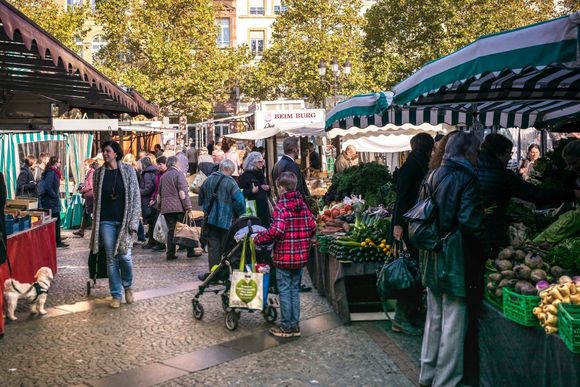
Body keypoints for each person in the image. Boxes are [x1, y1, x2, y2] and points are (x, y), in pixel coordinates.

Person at [419, 132, 486, 387]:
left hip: (431, 253)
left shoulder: (432, 174)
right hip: (455, 258)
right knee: (454, 322)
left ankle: (427, 374)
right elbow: (471, 223)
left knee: (434, 317)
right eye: (476, 152)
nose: (478, 157)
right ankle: (446, 381)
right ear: (467, 152)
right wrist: (485, 249)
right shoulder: (466, 177)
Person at [477, 134, 577, 257]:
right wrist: (572, 194)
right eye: (509, 153)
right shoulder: (502, 175)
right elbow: (536, 194)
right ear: (498, 154)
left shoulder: (472, 169)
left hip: (471, 230)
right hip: (491, 231)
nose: (510, 157)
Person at [253, 172, 316, 338]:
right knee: (294, 290)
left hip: (284, 257)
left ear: (281, 188)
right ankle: (294, 324)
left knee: (285, 291)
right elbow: (312, 226)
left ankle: (287, 326)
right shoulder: (303, 205)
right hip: (301, 257)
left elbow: (277, 230)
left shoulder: (282, 206)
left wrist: (258, 238)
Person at [391, 133, 435, 336]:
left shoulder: (415, 164)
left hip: (413, 225)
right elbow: (402, 197)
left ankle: (408, 314)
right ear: (427, 148)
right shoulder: (413, 167)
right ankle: (401, 317)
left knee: (414, 270)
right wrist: (398, 224)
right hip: (410, 226)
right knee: (410, 271)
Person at [89, 141, 141, 309]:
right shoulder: (98, 174)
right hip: (106, 221)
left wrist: (134, 222)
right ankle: (116, 295)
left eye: (108, 151)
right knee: (111, 259)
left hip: (124, 220)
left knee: (125, 256)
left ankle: (128, 286)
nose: (105, 154)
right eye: (103, 151)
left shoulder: (128, 171)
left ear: (116, 153)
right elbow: (97, 200)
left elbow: (135, 197)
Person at [198, 159, 245, 276]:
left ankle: (214, 273)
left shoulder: (208, 180)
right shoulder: (231, 183)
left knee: (213, 248)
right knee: (227, 247)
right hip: (226, 220)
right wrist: (240, 214)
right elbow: (239, 202)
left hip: (210, 220)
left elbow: (200, 199)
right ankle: (224, 273)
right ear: (230, 170)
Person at [157, 156, 196, 260]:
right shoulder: (179, 175)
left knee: (171, 230)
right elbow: (183, 192)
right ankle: (190, 251)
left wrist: (160, 207)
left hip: (166, 209)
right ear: (175, 163)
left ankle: (170, 253)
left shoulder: (163, 177)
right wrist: (188, 206)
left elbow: (159, 194)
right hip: (178, 207)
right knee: (185, 229)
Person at [39, 156, 68, 248]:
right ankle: (57, 242)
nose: (60, 164)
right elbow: (48, 186)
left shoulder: (54, 172)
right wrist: (54, 195)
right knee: (55, 220)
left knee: (56, 220)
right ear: (55, 163)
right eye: (59, 162)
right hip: (50, 200)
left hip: (51, 200)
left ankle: (56, 240)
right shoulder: (51, 172)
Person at [238, 152, 271, 228]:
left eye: (262, 161)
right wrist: (251, 191)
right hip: (252, 212)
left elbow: (267, 193)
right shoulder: (244, 177)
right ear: (252, 162)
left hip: (264, 212)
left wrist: (268, 189)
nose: (262, 163)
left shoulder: (261, 175)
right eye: (259, 161)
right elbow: (238, 193)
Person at [73, 159, 98, 238]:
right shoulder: (89, 173)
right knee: (85, 213)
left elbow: (90, 185)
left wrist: (82, 190)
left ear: (90, 165)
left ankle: (95, 232)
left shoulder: (91, 173)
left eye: (86, 165)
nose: (84, 166)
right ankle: (81, 230)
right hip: (88, 196)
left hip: (91, 196)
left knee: (92, 214)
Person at [139, 157, 159, 249]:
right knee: (153, 222)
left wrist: (139, 191)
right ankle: (153, 241)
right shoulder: (154, 171)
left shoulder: (147, 174)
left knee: (152, 222)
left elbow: (148, 188)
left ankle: (152, 242)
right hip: (152, 200)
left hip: (148, 201)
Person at [150, 156, 168, 251]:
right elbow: (156, 188)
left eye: (160, 164)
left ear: (166, 164)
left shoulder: (168, 174)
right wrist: (153, 198)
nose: (159, 166)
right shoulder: (158, 174)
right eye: (158, 164)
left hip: (166, 202)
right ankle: (160, 242)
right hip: (159, 201)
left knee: (166, 224)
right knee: (159, 224)